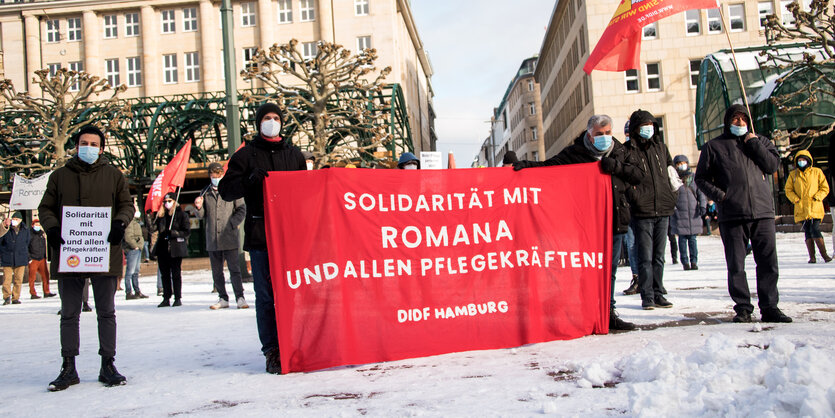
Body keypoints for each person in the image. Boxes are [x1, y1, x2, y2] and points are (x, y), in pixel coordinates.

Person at [514, 114, 641, 331]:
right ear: (590, 135)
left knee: (609, 271)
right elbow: (550, 167)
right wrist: (526, 166)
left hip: (614, 220)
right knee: (586, 270)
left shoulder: (620, 151)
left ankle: (608, 313)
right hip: (585, 223)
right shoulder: (575, 154)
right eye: (599, 134)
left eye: (608, 133)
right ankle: (586, 313)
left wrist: (617, 168)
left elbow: (638, 175)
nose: (605, 138)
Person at [39, 124, 133, 391]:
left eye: (94, 144)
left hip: (103, 251)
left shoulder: (114, 175)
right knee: (69, 312)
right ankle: (68, 366)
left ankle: (108, 363)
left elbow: (127, 204)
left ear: (101, 149)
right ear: (76, 146)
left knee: (106, 312)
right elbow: (45, 207)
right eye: (84, 143)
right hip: (69, 251)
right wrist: (53, 227)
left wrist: (119, 223)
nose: (88, 148)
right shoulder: (59, 176)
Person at [219, 102, 306, 374]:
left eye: (276, 118)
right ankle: (272, 350)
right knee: (266, 297)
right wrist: (248, 181)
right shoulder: (246, 155)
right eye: (266, 118)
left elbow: (307, 192)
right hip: (260, 236)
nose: (271, 122)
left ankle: (297, 343)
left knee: (294, 294)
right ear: (258, 123)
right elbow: (226, 191)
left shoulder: (294, 155)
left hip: (291, 235)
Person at [695, 104, 792, 323]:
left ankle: (770, 307)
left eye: (743, 119)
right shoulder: (714, 146)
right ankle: (743, 307)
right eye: (735, 119)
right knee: (736, 264)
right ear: (728, 121)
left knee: (768, 262)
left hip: (762, 212)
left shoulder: (761, 141)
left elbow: (772, 166)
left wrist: (754, 143)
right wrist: (721, 196)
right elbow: (700, 178)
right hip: (733, 214)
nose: (739, 123)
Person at [623, 110, 678, 310]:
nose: (649, 128)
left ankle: (658, 292)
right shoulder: (628, 150)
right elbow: (624, 179)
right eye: (644, 125)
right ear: (636, 128)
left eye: (651, 124)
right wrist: (635, 198)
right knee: (644, 256)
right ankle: (647, 295)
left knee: (659, 256)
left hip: (663, 208)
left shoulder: (661, 148)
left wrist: (673, 196)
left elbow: (672, 173)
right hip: (642, 211)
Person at [194, 162, 248, 310]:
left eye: (217, 175)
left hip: (229, 237)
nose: (215, 177)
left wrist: (232, 224)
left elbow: (241, 209)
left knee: (234, 270)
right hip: (213, 239)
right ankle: (223, 297)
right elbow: (201, 215)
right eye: (212, 175)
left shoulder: (232, 189)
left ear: (222, 175)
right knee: (217, 272)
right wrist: (198, 208)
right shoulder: (205, 192)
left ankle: (240, 297)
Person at [784, 150, 831, 263]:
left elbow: (824, 187)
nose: (801, 162)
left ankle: (824, 255)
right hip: (801, 208)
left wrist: (818, 197)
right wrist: (795, 199)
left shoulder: (817, 172)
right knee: (807, 231)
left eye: (803, 160)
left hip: (814, 207)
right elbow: (788, 190)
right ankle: (812, 257)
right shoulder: (793, 175)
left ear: (808, 160)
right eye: (799, 160)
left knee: (815, 229)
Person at [153, 192, 190, 307]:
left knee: (176, 274)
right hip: (162, 248)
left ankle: (177, 297)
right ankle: (166, 297)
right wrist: (153, 218)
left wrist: (174, 233)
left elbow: (186, 231)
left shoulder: (181, 215)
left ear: (174, 202)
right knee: (164, 274)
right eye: (165, 202)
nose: (167, 204)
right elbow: (154, 229)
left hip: (175, 248)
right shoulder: (161, 215)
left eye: (169, 201)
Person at [671, 155, 706, 270]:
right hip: (679, 214)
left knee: (692, 240)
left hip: (693, 213)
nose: (682, 165)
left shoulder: (693, 178)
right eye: (679, 163)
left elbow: (700, 193)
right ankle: (685, 261)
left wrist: (702, 206)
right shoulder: (673, 179)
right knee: (682, 240)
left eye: (683, 163)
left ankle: (694, 261)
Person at [1, 211, 30, 305]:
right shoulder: (6, 229)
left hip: (20, 258)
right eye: (13, 219)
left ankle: (15, 297)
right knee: (7, 280)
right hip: (7, 258)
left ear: (20, 220)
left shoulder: (25, 230)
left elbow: (27, 243)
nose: (14, 221)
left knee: (18, 280)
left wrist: (27, 255)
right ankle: (6, 297)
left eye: (16, 219)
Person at [28, 218, 55, 299]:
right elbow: (26, 246)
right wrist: (29, 257)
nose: (38, 226)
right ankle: (33, 293)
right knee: (32, 277)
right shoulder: (29, 234)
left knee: (46, 275)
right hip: (33, 258)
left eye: (39, 225)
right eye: (36, 225)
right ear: (32, 225)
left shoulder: (42, 234)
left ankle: (46, 291)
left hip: (42, 258)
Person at [123, 210, 148, 299]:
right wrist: (135, 246)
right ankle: (129, 292)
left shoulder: (135, 222)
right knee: (130, 272)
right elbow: (128, 237)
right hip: (133, 249)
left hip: (137, 249)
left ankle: (137, 291)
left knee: (135, 272)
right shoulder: (130, 222)